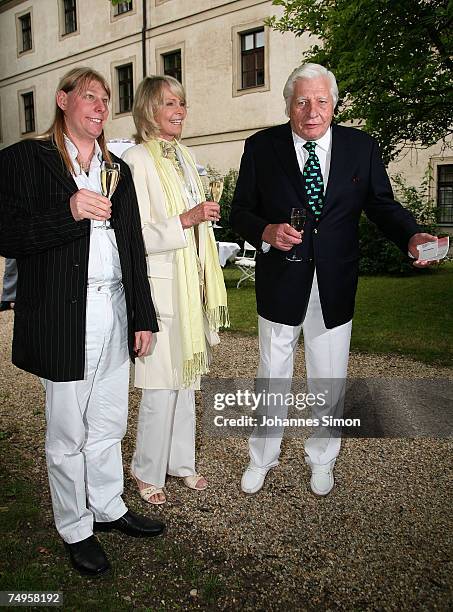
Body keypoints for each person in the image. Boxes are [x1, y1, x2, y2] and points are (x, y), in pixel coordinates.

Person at [230, 63, 437, 497]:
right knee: (272, 375)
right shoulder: (261, 147)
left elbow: (382, 205)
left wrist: (411, 235)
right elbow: (240, 211)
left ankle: (322, 458)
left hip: (335, 283)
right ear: (288, 104)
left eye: (321, 101)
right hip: (281, 281)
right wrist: (265, 231)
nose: (312, 111)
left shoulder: (360, 147)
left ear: (334, 105)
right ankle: (261, 458)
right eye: (302, 101)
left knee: (328, 378)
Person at [0, 67, 165, 577]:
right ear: (62, 100)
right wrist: (67, 211)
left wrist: (143, 315)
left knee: (111, 420)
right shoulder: (27, 160)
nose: (99, 106)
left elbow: (133, 246)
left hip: (115, 307)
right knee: (68, 430)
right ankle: (75, 526)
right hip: (63, 314)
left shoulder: (117, 167)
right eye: (89, 96)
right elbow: (7, 235)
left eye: (105, 100)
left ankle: (110, 506)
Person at [123, 76, 229, 505]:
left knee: (188, 381)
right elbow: (133, 236)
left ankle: (181, 463)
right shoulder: (135, 160)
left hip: (193, 282)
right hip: (161, 288)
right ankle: (147, 471)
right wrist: (186, 220)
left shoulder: (186, 155)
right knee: (160, 386)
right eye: (170, 103)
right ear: (150, 109)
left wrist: (200, 223)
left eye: (183, 102)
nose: (180, 110)